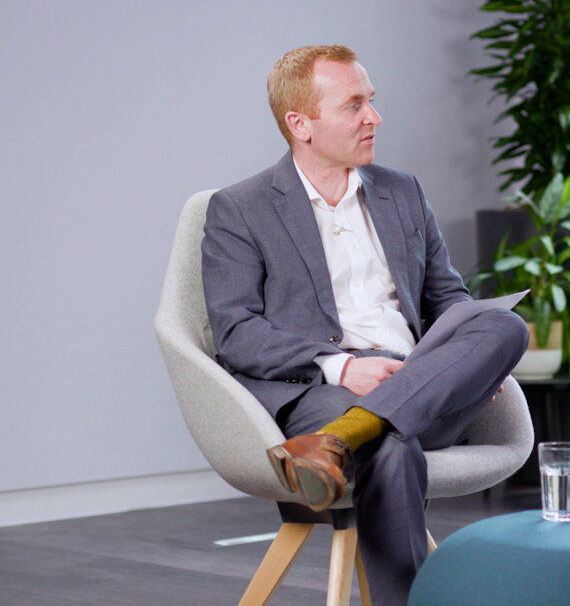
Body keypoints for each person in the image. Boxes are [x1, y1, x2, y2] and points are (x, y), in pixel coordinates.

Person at [201, 45, 528, 604]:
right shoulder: (241, 208)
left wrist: (465, 362)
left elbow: (448, 296)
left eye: (370, 102)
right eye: (354, 105)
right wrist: (343, 366)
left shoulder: (403, 191)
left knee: (507, 330)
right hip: (324, 392)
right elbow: (236, 333)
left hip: (418, 381)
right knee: (390, 447)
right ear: (299, 123)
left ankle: (338, 443)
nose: (373, 117)